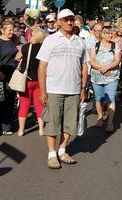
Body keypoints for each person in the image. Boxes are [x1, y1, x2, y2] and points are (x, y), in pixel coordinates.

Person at [37, 9, 88, 169]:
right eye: (66, 19)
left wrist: (83, 88)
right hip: (54, 88)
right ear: (58, 22)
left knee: (70, 123)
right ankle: (52, 154)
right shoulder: (50, 40)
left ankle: (62, 150)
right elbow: (42, 67)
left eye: (71, 19)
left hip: (73, 89)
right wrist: (42, 90)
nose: (69, 22)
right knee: (52, 122)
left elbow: (84, 66)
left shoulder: (80, 41)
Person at [89, 26, 122, 132]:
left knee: (110, 98)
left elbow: (117, 60)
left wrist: (108, 68)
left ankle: (110, 122)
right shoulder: (95, 45)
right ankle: (100, 117)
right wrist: (101, 68)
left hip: (111, 76)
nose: (110, 35)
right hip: (97, 76)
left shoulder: (115, 46)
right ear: (102, 34)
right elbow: (91, 60)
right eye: (108, 33)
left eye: (111, 33)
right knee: (99, 98)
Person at [0, 21, 23, 135]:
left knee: (10, 100)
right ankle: (0, 126)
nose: (12, 32)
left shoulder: (12, 41)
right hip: (2, 74)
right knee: (1, 100)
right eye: (9, 30)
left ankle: (7, 126)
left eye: (12, 29)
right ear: (2, 30)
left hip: (12, 74)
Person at [16, 28, 46, 136]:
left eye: (32, 35)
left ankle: (21, 130)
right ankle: (41, 129)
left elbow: (17, 57)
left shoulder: (26, 47)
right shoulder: (44, 48)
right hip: (40, 80)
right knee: (39, 105)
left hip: (26, 80)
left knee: (24, 104)